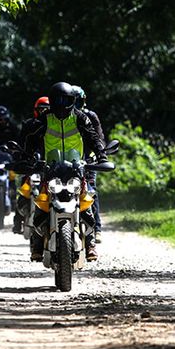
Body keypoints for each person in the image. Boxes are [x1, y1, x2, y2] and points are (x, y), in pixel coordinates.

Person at [21, 82, 105, 261]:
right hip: (50, 168)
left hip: (76, 167)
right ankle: (37, 244)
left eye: (65, 100)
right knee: (42, 202)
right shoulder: (45, 118)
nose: (61, 104)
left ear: (72, 101)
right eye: (57, 100)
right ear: (51, 101)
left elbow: (93, 136)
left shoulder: (80, 117)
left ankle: (90, 243)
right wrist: (26, 157)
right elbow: (32, 138)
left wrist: (101, 155)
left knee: (85, 200)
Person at [72, 85, 105, 244]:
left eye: (79, 101)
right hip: (68, 160)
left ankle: (96, 229)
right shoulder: (62, 118)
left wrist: (96, 155)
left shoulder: (90, 116)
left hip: (87, 160)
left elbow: (99, 139)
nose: (75, 104)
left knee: (91, 191)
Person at [12, 96, 50, 234]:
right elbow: (21, 143)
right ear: (36, 110)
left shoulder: (54, 125)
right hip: (32, 162)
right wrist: (19, 158)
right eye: (41, 109)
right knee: (24, 189)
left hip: (50, 163)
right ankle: (17, 221)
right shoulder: (29, 124)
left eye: (47, 109)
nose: (44, 112)